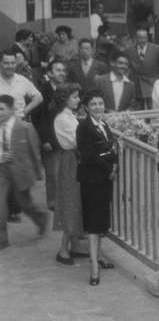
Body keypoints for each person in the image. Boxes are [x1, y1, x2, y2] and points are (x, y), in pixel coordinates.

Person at [76, 89, 118, 285]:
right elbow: (89, 155)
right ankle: (93, 267)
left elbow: (109, 149)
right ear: (86, 107)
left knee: (100, 220)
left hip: (104, 179)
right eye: (93, 104)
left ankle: (99, 256)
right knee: (93, 224)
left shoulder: (103, 125)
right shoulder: (84, 128)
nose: (98, 107)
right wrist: (109, 164)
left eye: (100, 103)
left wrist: (113, 164)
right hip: (92, 180)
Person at [0, 94, 49, 251]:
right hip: (2, 171)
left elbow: (34, 152)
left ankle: (41, 218)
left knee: (25, 203)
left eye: (1, 109)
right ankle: (2, 238)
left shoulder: (25, 127)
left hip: (20, 171)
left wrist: (37, 173)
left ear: (12, 110)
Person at [52, 84, 87, 265]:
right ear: (65, 99)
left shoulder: (70, 116)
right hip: (70, 161)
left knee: (77, 200)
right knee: (71, 200)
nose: (78, 100)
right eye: (74, 97)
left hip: (75, 159)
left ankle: (73, 246)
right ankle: (63, 249)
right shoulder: (62, 118)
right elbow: (76, 140)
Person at [32, 58, 68, 210]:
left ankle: (65, 199)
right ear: (50, 73)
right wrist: (45, 139)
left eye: (63, 70)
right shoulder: (43, 91)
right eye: (58, 70)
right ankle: (53, 202)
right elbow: (38, 118)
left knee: (65, 171)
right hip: (50, 138)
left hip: (65, 137)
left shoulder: (66, 89)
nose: (62, 73)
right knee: (52, 173)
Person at [125, 26, 159, 109]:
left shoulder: (157, 49)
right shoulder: (129, 50)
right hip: (136, 82)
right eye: (140, 38)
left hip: (151, 81)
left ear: (147, 38)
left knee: (152, 104)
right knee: (138, 106)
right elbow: (126, 64)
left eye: (145, 38)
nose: (142, 40)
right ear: (136, 38)